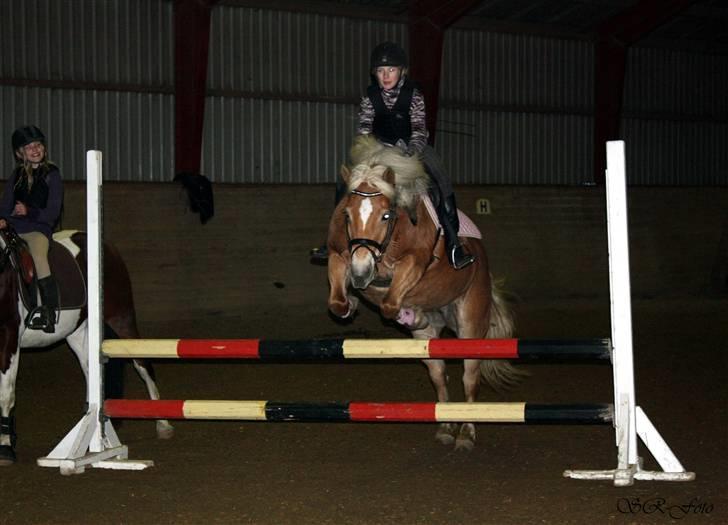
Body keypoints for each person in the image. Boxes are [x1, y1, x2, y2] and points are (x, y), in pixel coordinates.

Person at [311, 41, 474, 269]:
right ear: (374, 74)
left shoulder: (414, 96)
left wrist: (408, 151)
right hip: (379, 149)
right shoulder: (370, 98)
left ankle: (454, 244)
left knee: (440, 179)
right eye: (380, 71)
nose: (386, 75)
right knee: (344, 181)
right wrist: (371, 151)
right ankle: (333, 239)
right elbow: (364, 131)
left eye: (391, 70)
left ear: (402, 71)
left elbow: (418, 131)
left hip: (412, 148)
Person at [0, 126, 63, 333]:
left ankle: (48, 312)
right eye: (29, 147)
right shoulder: (16, 175)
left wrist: (29, 211)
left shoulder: (52, 174)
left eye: (38, 145)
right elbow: (6, 204)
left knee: (38, 255)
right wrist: (2, 218)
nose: (35, 149)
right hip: (14, 229)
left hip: (38, 229)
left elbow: (53, 212)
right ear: (20, 153)